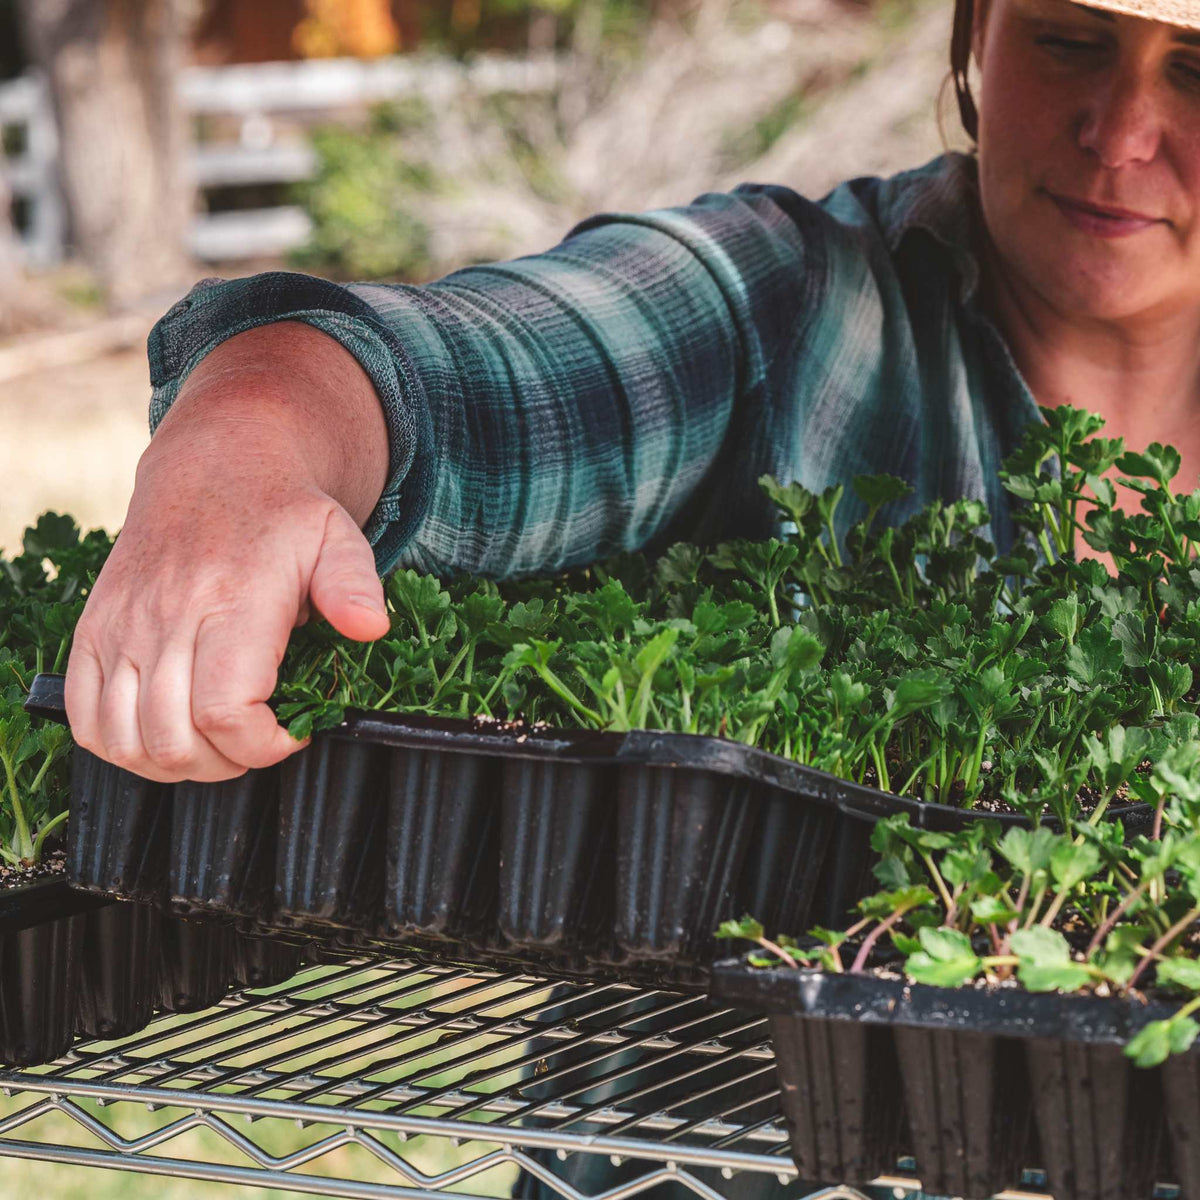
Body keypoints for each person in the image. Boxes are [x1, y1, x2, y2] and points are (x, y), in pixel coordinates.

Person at [63, 0, 1200, 1193]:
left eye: (1196, 70)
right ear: (976, 32)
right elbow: (471, 365)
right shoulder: (795, 302)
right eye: (1069, 41)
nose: (1121, 132)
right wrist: (244, 447)